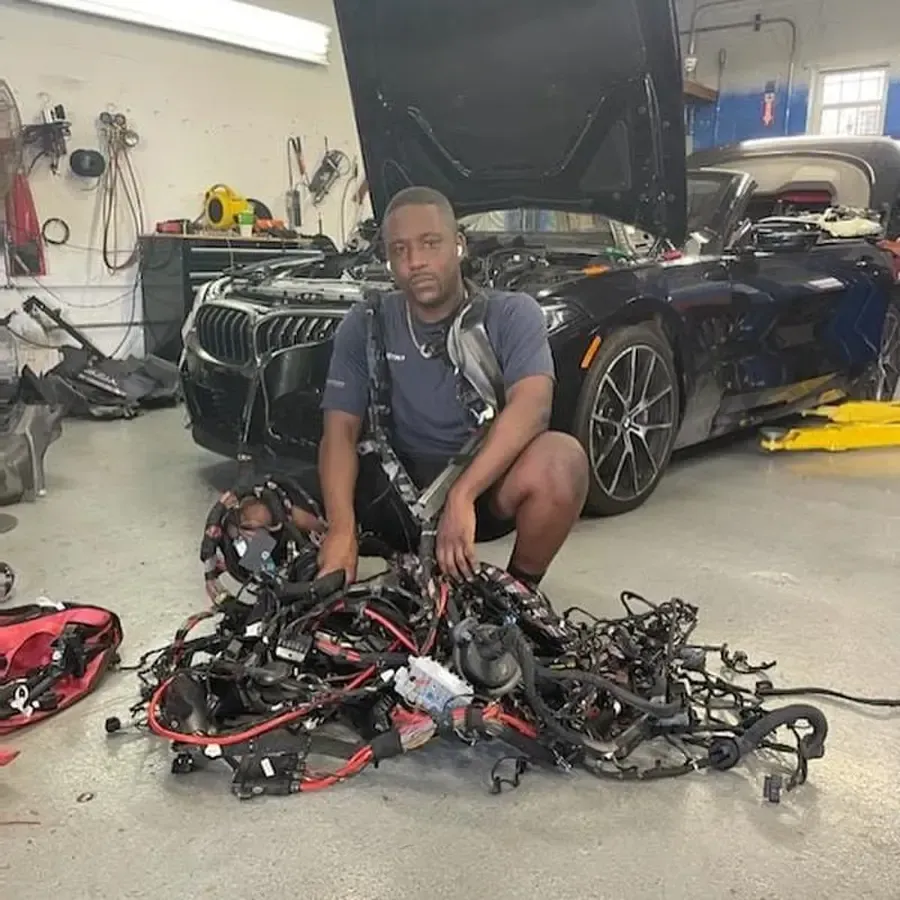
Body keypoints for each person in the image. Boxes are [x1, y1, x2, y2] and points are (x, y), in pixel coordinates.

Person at [315, 185, 590, 586]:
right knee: (255, 512)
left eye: (430, 244)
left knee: (563, 461)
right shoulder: (366, 322)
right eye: (400, 250)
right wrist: (340, 529)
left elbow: (534, 407)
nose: (415, 262)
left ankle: (517, 594)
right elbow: (339, 431)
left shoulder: (512, 315)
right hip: (392, 486)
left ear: (458, 245)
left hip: (481, 487)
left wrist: (462, 495)